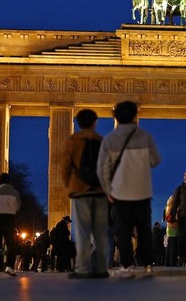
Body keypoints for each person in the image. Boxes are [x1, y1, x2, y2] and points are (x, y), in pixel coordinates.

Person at [98, 101, 161, 278]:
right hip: (142, 191)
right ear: (135, 116)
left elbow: (102, 168)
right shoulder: (145, 136)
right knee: (144, 230)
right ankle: (148, 265)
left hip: (119, 193)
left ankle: (127, 266)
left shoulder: (110, 139)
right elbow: (155, 160)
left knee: (123, 232)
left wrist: (107, 190)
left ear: (115, 117)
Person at [61, 108, 109, 279]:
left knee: (82, 231)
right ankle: (101, 267)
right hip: (100, 191)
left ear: (78, 123)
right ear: (95, 122)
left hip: (80, 191)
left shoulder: (73, 140)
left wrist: (69, 184)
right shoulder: (102, 141)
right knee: (100, 232)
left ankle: (83, 268)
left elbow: (65, 165)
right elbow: (108, 167)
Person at [0, 172, 21, 278]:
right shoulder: (14, 192)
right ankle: (9, 267)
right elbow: (18, 206)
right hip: (9, 220)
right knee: (11, 245)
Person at [163, 196, 179, 267]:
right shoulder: (174, 208)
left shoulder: (166, 208)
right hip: (174, 228)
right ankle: (173, 262)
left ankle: (167, 263)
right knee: (173, 247)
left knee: (169, 247)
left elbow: (165, 218)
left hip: (169, 228)